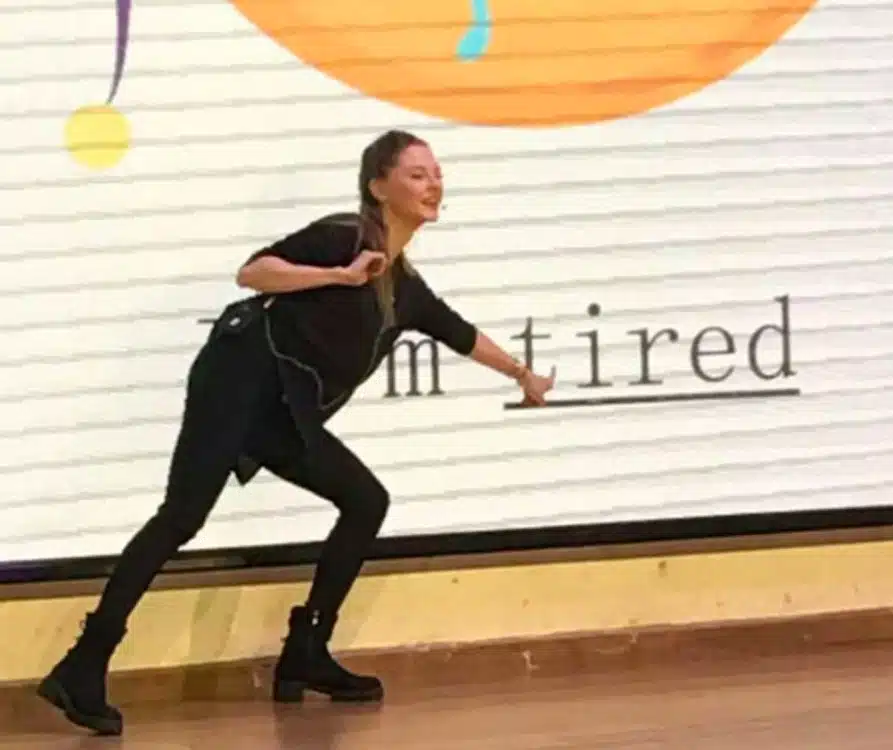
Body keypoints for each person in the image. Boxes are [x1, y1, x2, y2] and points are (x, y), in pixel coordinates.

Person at [36, 129, 555, 736]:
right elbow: (253, 273)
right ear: (378, 187)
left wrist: (521, 374)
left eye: (436, 173)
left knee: (364, 500)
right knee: (182, 517)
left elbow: (462, 334)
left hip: (282, 410)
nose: (433, 184)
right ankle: (84, 663)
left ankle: (306, 650)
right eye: (417, 174)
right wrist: (339, 276)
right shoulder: (345, 237)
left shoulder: (405, 289)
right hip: (238, 378)